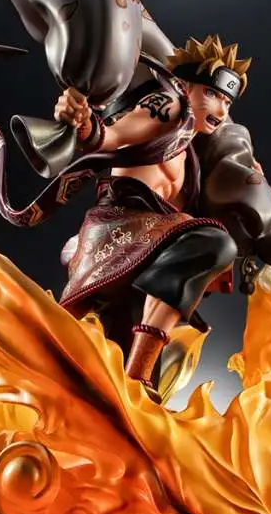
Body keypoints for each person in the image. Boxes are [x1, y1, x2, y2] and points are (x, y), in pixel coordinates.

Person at [52, 35, 256, 398]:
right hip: (122, 229)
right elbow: (112, 135)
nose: (221, 109)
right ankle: (138, 378)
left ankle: (136, 391)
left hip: (146, 263)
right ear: (185, 86)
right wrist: (84, 124)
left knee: (113, 377)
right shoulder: (170, 105)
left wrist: (247, 181)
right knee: (213, 242)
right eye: (211, 94)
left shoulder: (192, 155)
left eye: (226, 100)